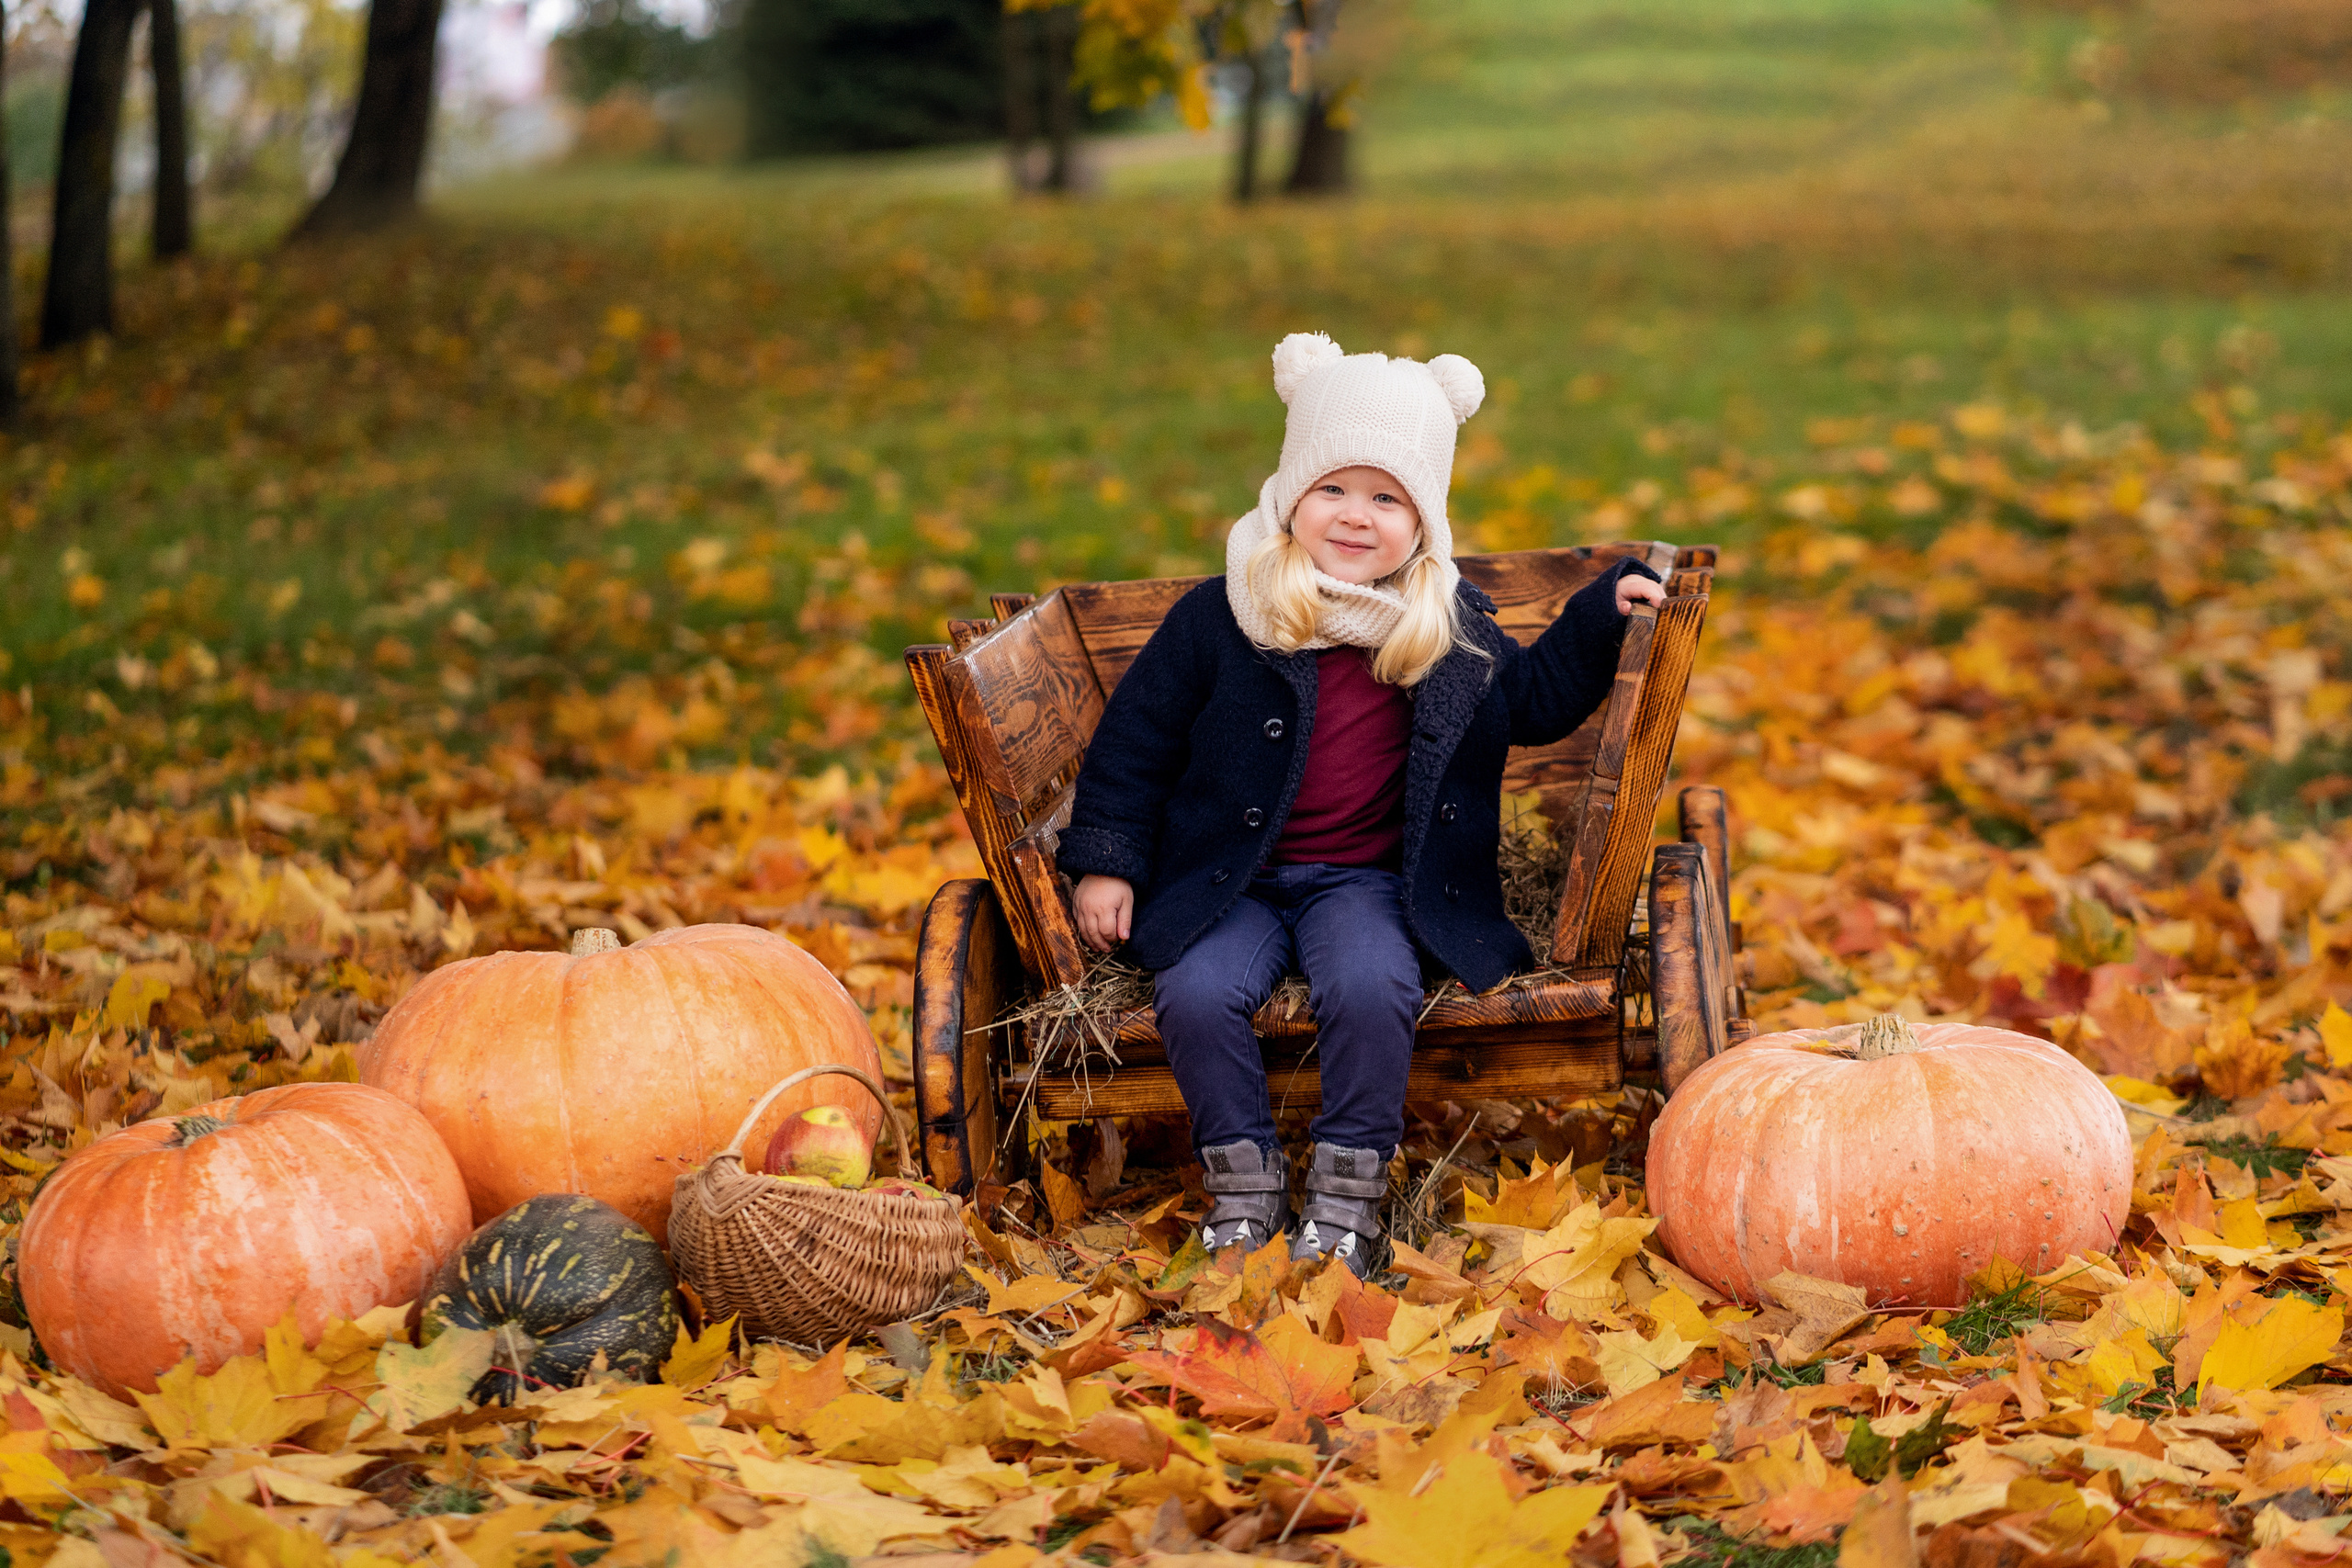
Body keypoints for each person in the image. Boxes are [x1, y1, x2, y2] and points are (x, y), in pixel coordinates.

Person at [1056, 333, 1665, 1277]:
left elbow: (1537, 704)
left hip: (1364, 884)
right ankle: (1245, 1187)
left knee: (1373, 986)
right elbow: (1133, 746)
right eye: (1333, 488)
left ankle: (1348, 1197)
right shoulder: (1223, 617)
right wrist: (1106, 859)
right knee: (1196, 989)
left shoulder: (1441, 630)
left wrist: (1595, 614)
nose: (1354, 516)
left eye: (1388, 498)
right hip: (1233, 883)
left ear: (1422, 524)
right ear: (1291, 494)